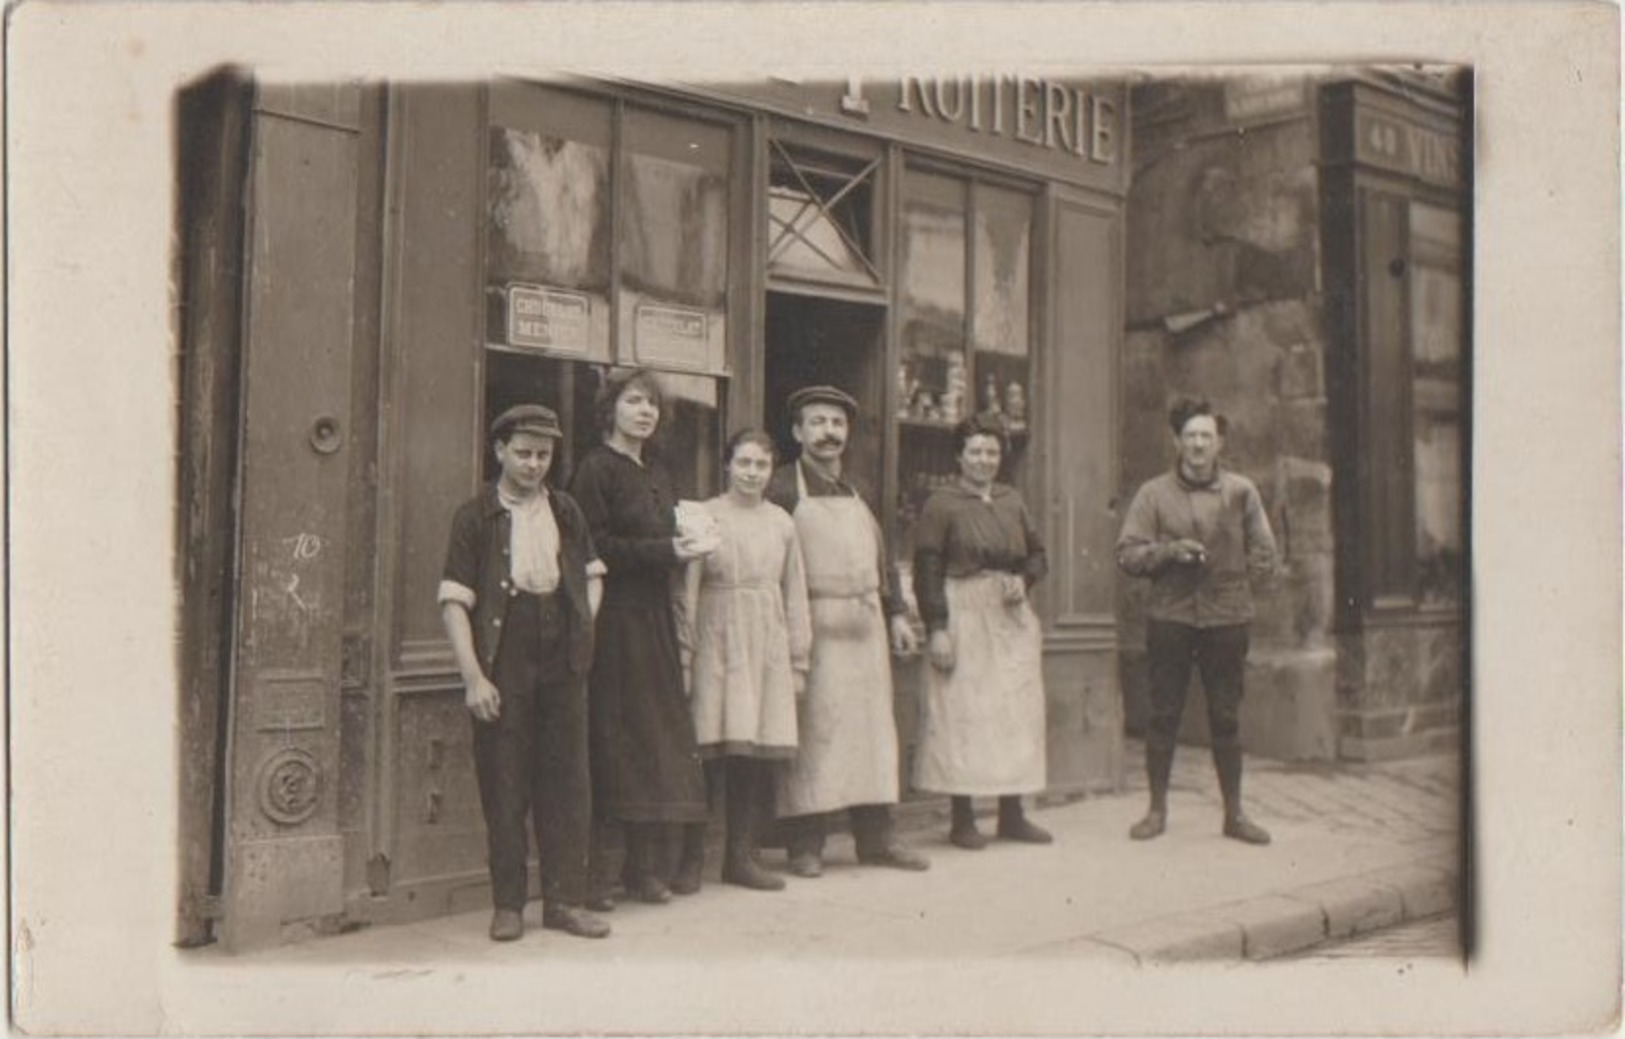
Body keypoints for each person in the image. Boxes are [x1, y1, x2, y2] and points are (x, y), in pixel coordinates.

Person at [438, 404, 611, 942]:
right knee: (505, 781)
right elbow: (453, 603)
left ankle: (565, 902)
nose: (534, 464)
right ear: (499, 451)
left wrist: (582, 625)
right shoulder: (474, 517)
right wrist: (474, 677)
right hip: (504, 654)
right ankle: (508, 904)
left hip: (563, 654)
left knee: (568, 784)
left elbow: (591, 575)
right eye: (523, 453)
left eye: (543, 455)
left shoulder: (566, 511)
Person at [765, 385, 930, 877]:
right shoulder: (780, 489)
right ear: (797, 432)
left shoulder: (858, 491)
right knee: (814, 734)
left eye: (836, 424)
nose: (828, 433)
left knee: (872, 735)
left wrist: (897, 612)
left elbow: (881, 558)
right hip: (811, 628)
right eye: (817, 422)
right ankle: (805, 845)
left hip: (865, 631)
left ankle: (876, 840)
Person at [568, 368, 715, 905]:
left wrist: (688, 541)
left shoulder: (656, 471)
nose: (646, 412)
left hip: (653, 618)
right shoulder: (595, 470)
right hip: (612, 622)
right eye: (634, 401)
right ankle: (600, 878)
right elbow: (592, 548)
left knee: (655, 745)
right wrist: (665, 553)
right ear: (611, 409)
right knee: (614, 744)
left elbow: (667, 534)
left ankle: (645, 870)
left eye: (652, 404)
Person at [1116, 396, 1278, 845]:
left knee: (1226, 717)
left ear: (1219, 442)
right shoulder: (1153, 494)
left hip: (1227, 619)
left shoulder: (1242, 492)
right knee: (1163, 714)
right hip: (1170, 616)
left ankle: (1235, 815)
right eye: (1190, 436)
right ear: (1176, 441)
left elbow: (1265, 552)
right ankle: (1156, 811)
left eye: (1207, 436)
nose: (1199, 444)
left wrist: (1244, 585)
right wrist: (1168, 551)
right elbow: (1127, 553)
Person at [674, 430, 813, 891]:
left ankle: (740, 857)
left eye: (761, 465)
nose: (752, 473)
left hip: (764, 641)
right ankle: (691, 860)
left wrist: (797, 660)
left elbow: (794, 592)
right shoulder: (705, 515)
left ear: (772, 472)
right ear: (728, 465)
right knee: (708, 751)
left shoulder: (782, 523)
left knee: (750, 754)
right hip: (718, 633)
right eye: (744, 463)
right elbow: (688, 589)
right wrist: (686, 652)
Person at [912, 415, 1053, 849]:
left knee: (1015, 713)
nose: (984, 460)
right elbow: (927, 568)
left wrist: (1023, 580)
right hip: (963, 611)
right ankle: (963, 819)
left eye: (992, 452)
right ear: (959, 456)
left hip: (1010, 617)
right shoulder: (942, 503)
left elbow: (1038, 555)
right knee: (963, 713)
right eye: (975, 451)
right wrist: (937, 627)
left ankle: (1012, 814)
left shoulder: (1012, 500)